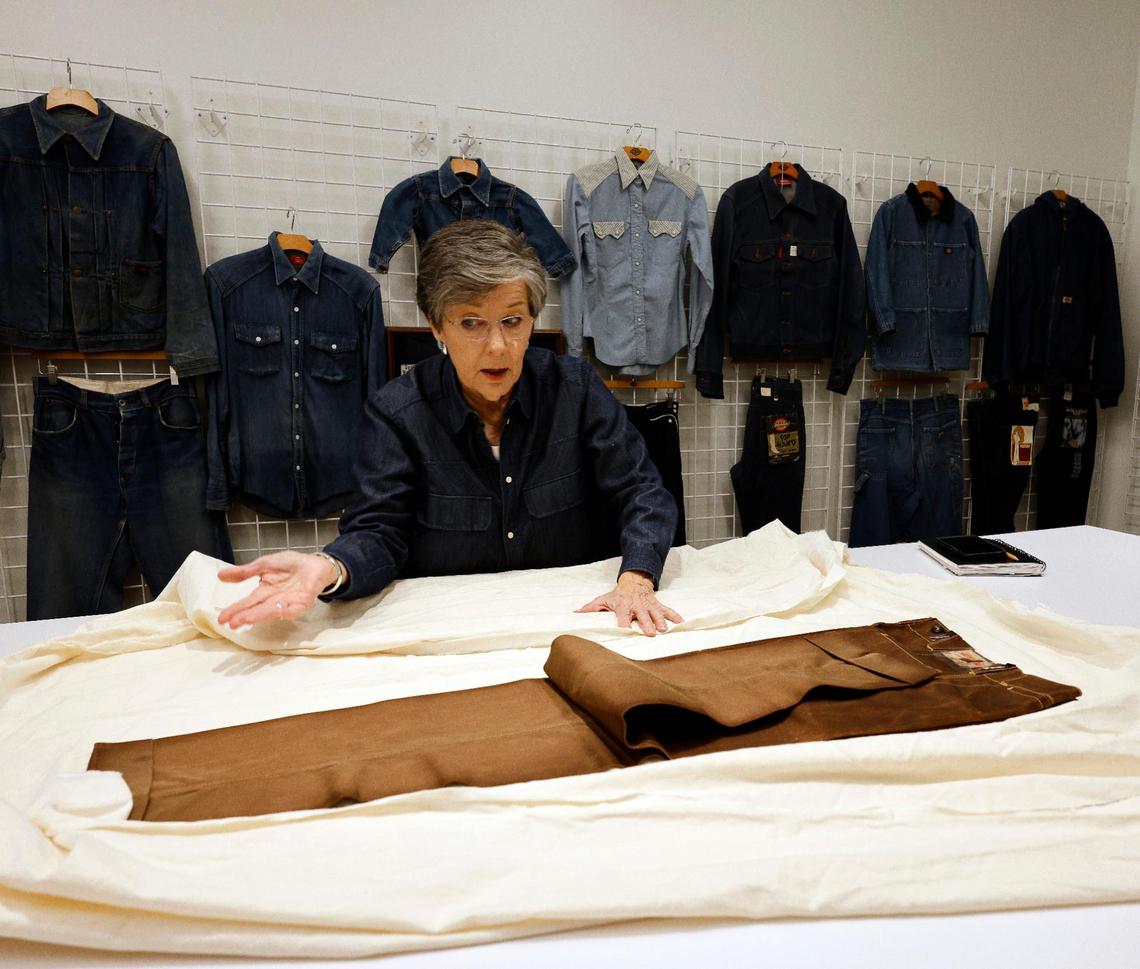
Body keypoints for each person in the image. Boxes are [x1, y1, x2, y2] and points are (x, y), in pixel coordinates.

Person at [218, 220, 682, 635]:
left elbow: (641, 491)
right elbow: (379, 531)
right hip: (450, 632)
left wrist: (636, 579)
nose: (498, 346)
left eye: (512, 321)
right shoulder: (397, 412)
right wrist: (329, 566)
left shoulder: (575, 389)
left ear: (533, 320)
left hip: (576, 621)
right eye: (471, 323)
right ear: (437, 327)